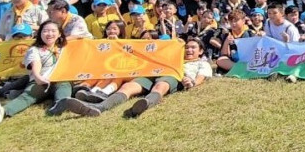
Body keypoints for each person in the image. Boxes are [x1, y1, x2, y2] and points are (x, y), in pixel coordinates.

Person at [62, 37, 213, 118]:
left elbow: (200, 78)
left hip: (174, 75)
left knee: (160, 86)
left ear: (200, 51)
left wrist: (191, 82)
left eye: (193, 48)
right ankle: (100, 107)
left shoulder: (201, 63)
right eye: (187, 47)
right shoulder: (174, 56)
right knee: (127, 87)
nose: (189, 50)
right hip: (154, 71)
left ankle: (146, 103)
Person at [0, 20, 72, 123]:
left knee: (64, 87)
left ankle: (60, 105)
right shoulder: (34, 50)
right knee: (27, 97)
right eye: (45, 31)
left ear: (59, 33)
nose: (49, 34)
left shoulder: (66, 48)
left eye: (53, 31)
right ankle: (2, 112)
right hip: (40, 82)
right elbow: (36, 64)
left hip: (60, 80)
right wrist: (38, 77)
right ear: (40, 34)